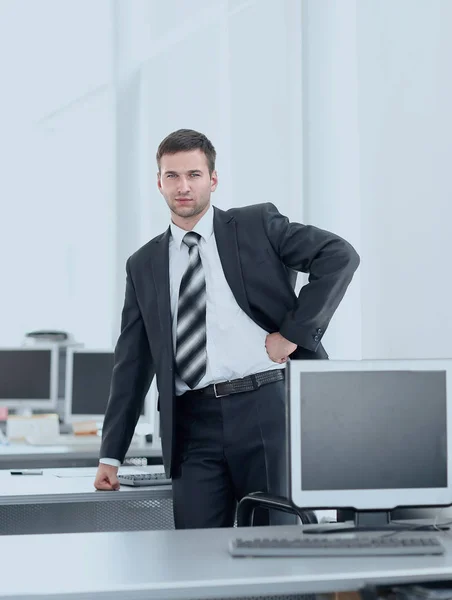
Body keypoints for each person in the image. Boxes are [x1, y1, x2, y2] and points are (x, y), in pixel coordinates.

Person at [94, 128, 360, 529]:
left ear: (213, 179)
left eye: (194, 175)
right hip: (191, 426)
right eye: (172, 176)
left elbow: (338, 255)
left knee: (277, 550)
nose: (184, 186)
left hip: (265, 411)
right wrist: (111, 454)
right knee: (195, 558)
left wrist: (292, 333)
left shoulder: (256, 226)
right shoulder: (143, 263)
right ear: (159, 182)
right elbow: (131, 362)